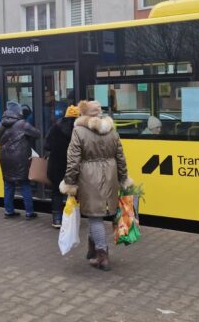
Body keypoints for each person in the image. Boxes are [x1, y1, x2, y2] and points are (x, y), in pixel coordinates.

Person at [60, 100, 132, 271]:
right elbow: (120, 157)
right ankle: (92, 251)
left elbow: (73, 160)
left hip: (89, 178)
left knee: (94, 217)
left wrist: (70, 182)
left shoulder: (79, 131)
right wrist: (123, 178)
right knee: (96, 215)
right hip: (110, 176)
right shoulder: (111, 129)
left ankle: (102, 255)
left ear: (83, 113)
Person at [0, 100, 40, 219]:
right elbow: (37, 134)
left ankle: (9, 211)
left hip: (5, 157)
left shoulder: (2, 125)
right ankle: (29, 212)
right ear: (17, 111)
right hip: (19, 157)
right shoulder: (22, 124)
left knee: (8, 183)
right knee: (24, 183)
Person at [44, 105, 79, 228]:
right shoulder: (79, 129)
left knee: (56, 192)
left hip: (56, 165)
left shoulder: (55, 127)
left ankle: (57, 219)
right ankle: (73, 219)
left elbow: (47, 145)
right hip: (73, 166)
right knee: (74, 192)